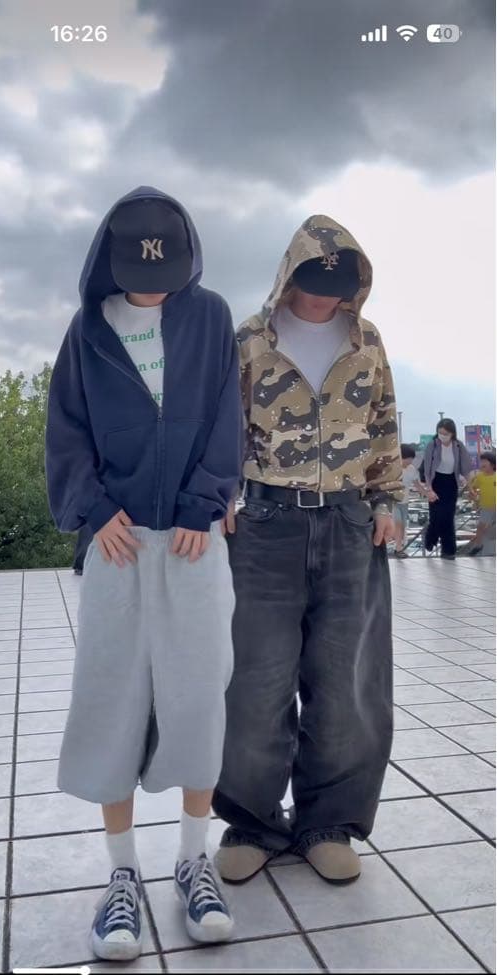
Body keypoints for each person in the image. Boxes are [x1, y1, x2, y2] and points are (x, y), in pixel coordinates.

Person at [46, 187, 243, 960]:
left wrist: (202, 503)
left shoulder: (210, 318)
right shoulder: (88, 330)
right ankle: (121, 876)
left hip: (194, 541)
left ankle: (193, 860)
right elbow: (66, 432)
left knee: (198, 698)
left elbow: (226, 416)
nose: (156, 286)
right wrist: (94, 511)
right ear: (112, 260)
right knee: (112, 698)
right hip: (119, 544)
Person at [213, 214, 401, 886]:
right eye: (313, 287)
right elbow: (223, 428)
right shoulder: (248, 339)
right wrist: (218, 498)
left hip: (350, 523)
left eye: (338, 290)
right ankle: (252, 822)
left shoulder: (367, 341)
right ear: (289, 277)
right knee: (255, 680)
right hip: (265, 523)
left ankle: (328, 823)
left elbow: (383, 424)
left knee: (346, 682)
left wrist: (388, 503)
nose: (324, 301)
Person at [423, 419, 473, 560]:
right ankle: (430, 538)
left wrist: (470, 487)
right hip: (436, 481)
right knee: (436, 515)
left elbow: (466, 468)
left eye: (445, 433)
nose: (442, 436)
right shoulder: (432, 445)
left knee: (448, 516)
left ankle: (449, 551)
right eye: (440, 433)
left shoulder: (458, 446)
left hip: (451, 482)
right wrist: (429, 489)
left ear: (452, 433)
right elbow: (427, 470)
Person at [393, 444, 423, 558]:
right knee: (398, 524)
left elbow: (417, 485)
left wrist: (427, 494)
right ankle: (398, 549)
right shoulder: (393, 468)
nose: (410, 461)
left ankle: (400, 548)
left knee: (403, 526)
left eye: (411, 459)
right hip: (393, 501)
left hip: (404, 501)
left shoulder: (411, 469)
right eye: (409, 459)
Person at [467, 451, 496, 555]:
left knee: (490, 529)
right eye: (481, 461)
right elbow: (473, 488)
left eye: (485, 461)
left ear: (492, 464)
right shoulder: (480, 477)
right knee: (480, 527)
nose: (482, 463)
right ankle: (478, 545)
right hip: (486, 507)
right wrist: (472, 494)